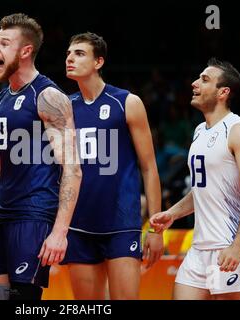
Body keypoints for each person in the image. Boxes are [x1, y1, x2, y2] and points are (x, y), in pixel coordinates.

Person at [0, 13, 81, 300]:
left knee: (23, 301)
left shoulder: (48, 96)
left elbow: (73, 169)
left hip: (34, 214)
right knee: (0, 297)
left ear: (26, 51)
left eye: (4, 43)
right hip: (3, 219)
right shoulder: (0, 100)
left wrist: (59, 232)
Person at [150, 58, 240, 300]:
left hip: (231, 245)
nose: (194, 84)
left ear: (223, 92)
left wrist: (237, 245)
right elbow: (203, 189)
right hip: (199, 247)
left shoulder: (239, 131)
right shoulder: (200, 131)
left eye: (204, 80)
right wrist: (172, 213)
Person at [61, 32, 164, 299]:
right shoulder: (63, 108)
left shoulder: (127, 102)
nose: (70, 58)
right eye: (69, 53)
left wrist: (155, 228)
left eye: (79, 53)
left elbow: (150, 168)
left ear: (99, 62)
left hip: (121, 223)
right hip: (79, 224)